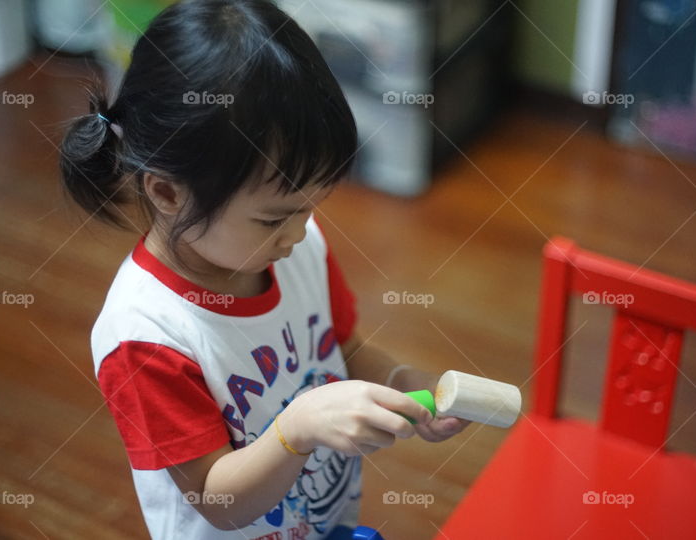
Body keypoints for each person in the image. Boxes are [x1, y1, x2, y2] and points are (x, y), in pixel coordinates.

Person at [58, 1, 469, 538]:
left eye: (309, 208)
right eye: (275, 218)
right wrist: (296, 429)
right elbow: (217, 500)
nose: (299, 233)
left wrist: (402, 382)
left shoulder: (301, 248)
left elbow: (344, 347)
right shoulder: (146, 336)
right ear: (167, 192)